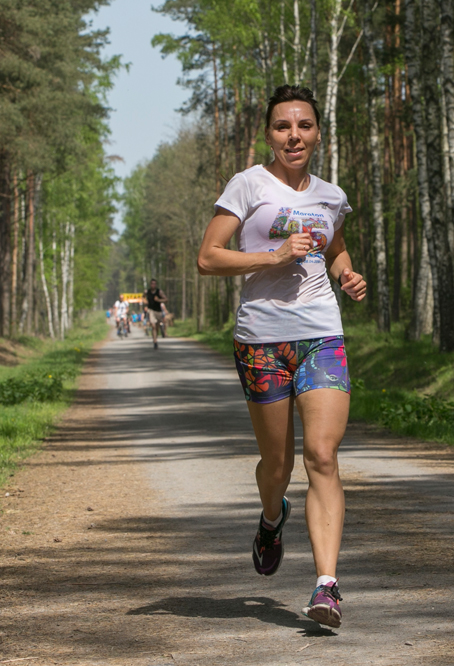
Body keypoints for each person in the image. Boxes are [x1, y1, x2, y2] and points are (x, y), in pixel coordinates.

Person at [197, 85, 366, 629]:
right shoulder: (248, 184)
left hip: (321, 335)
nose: (294, 135)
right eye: (282, 126)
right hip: (262, 341)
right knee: (278, 466)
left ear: (317, 133)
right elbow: (208, 257)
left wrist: (346, 274)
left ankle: (326, 586)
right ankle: (272, 518)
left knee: (322, 454)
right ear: (269, 134)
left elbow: (335, 249)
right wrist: (270, 256)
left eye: (304, 125)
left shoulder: (331, 195)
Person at [145, 279, 168, 349]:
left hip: (158, 311)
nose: (153, 285)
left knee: (157, 327)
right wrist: (144, 301)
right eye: (152, 283)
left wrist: (158, 300)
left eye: (154, 284)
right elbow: (143, 297)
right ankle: (155, 342)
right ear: (150, 284)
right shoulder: (147, 292)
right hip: (151, 310)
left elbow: (166, 300)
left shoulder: (159, 292)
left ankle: (155, 338)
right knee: (153, 325)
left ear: (156, 284)